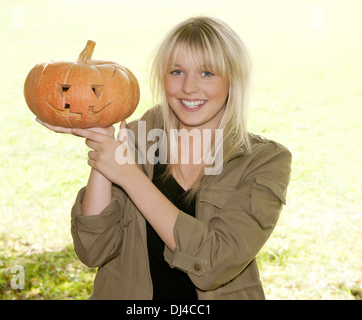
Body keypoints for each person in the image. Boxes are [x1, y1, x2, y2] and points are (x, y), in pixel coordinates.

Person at [37, 16, 292, 300]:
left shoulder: (266, 161)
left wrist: (130, 176)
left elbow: (213, 264)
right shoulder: (136, 140)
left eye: (207, 73)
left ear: (233, 80)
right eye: (177, 72)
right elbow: (93, 249)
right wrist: (103, 141)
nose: (189, 87)